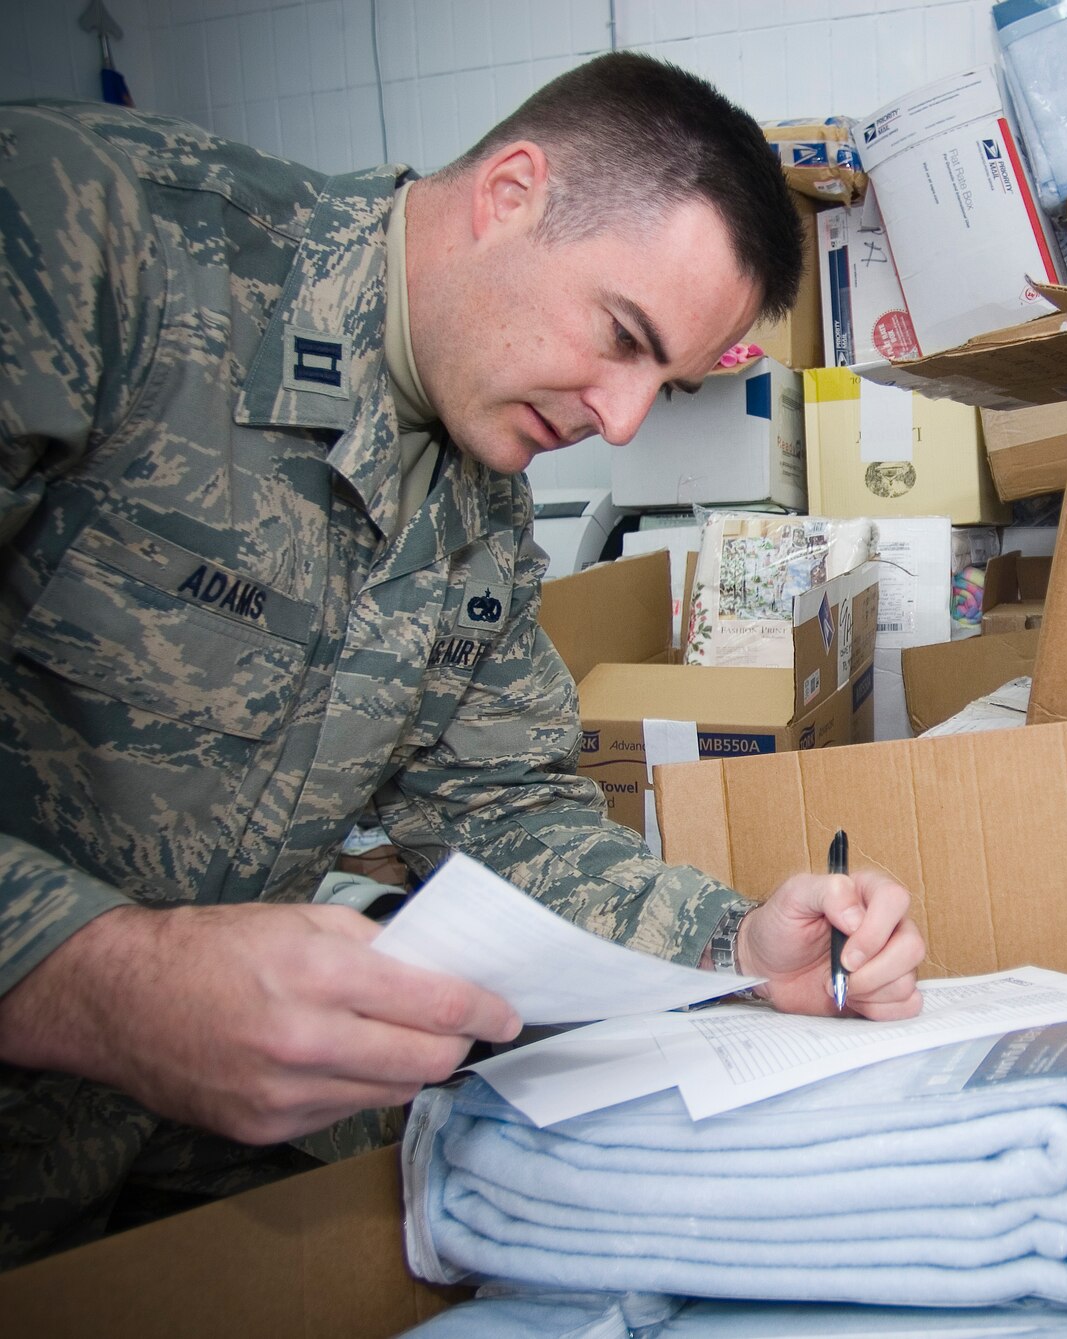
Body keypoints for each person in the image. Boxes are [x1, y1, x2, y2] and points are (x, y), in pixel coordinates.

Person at [0, 53, 925, 1268]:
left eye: (669, 380)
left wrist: (737, 950)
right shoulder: (87, 235)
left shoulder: (478, 502)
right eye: (621, 337)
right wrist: (97, 976)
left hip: (170, 1166)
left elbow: (506, 814)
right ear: (511, 192)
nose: (626, 420)